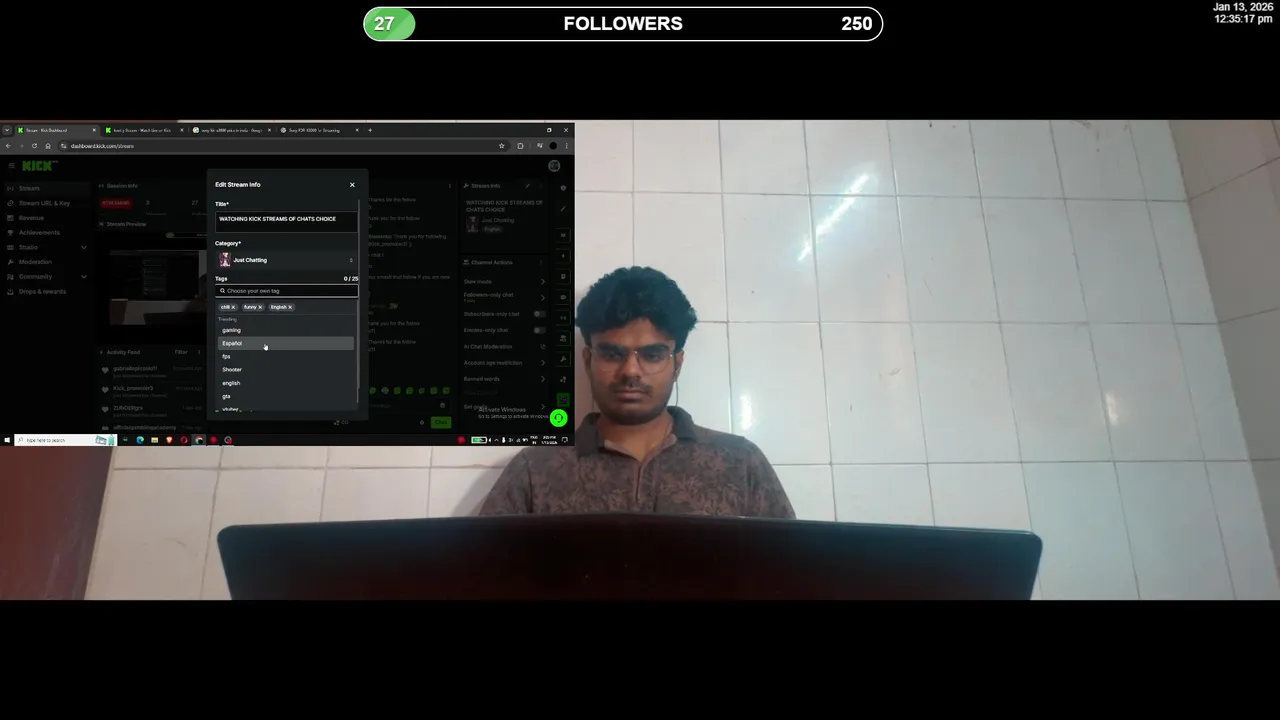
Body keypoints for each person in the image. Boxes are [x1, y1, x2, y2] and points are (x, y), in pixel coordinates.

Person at [479, 266, 795, 518]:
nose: (630, 370)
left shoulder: (739, 463)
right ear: (588, 361)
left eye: (653, 354)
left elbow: (792, 571)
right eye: (612, 354)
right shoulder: (535, 470)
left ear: (677, 364)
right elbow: (481, 572)